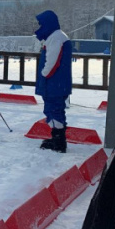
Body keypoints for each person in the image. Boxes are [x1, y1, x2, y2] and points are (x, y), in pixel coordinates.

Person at [34, 10, 72, 153]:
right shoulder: (57, 36)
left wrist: (44, 74)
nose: (40, 27)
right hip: (57, 83)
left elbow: (52, 61)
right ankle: (57, 138)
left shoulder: (55, 38)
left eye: (41, 24)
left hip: (54, 83)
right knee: (56, 109)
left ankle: (58, 142)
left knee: (53, 109)